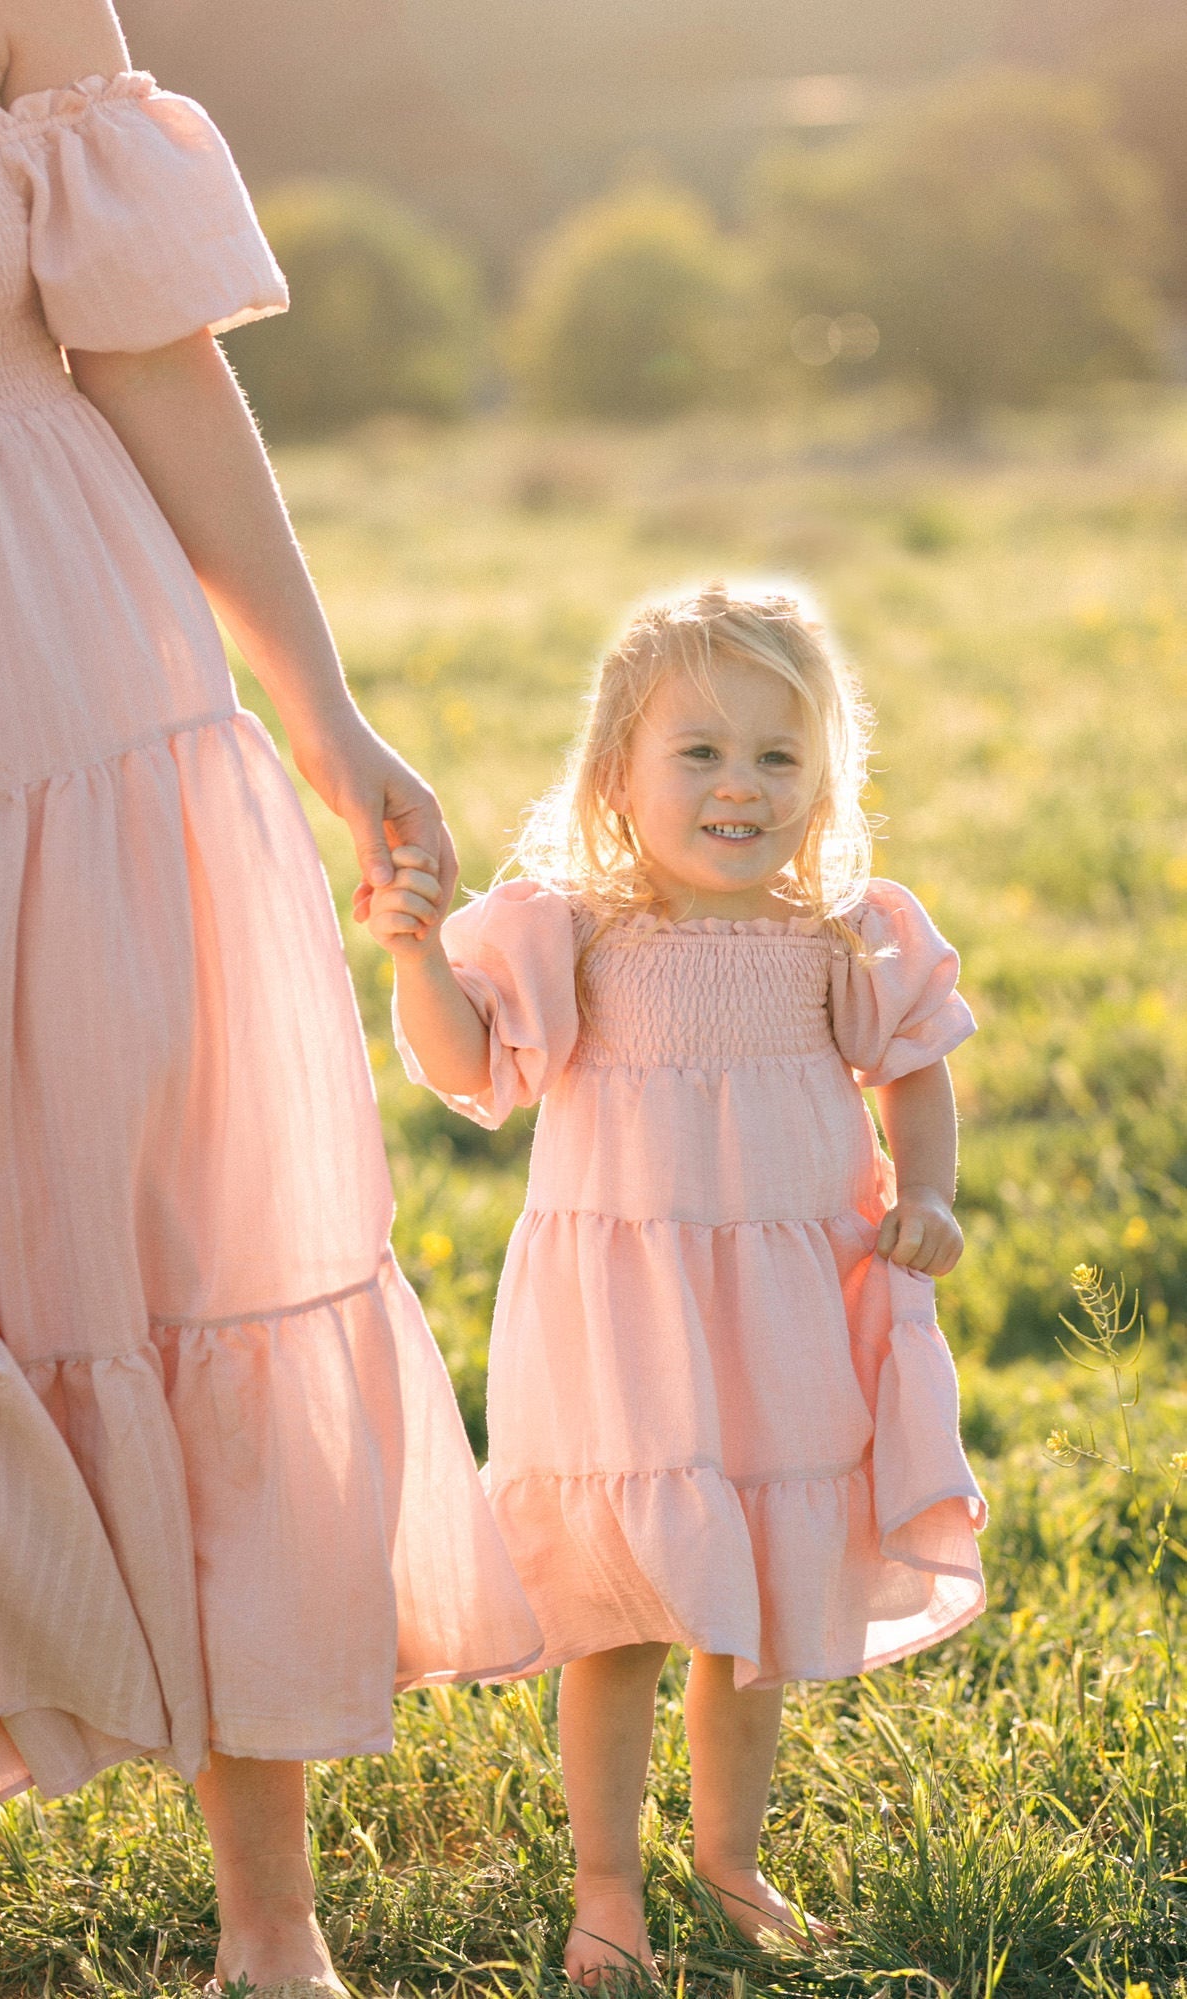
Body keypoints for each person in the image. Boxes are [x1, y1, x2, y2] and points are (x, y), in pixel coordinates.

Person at [0, 1, 541, 1992]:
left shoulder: (10, 2)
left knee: (174, 1239)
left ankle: (273, 1933)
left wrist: (327, 718)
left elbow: (151, 355)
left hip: (68, 688)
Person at [370, 585, 987, 1983]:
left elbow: (914, 1068)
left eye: (777, 757)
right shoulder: (569, 929)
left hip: (778, 1317)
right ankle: (605, 1888)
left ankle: (727, 1858)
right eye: (697, 753)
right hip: (620, 1322)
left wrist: (930, 1189)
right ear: (616, 774)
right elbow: (468, 1069)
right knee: (620, 1619)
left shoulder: (846, 928)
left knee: (744, 1622)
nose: (738, 787)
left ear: (823, 776)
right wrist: (416, 950)